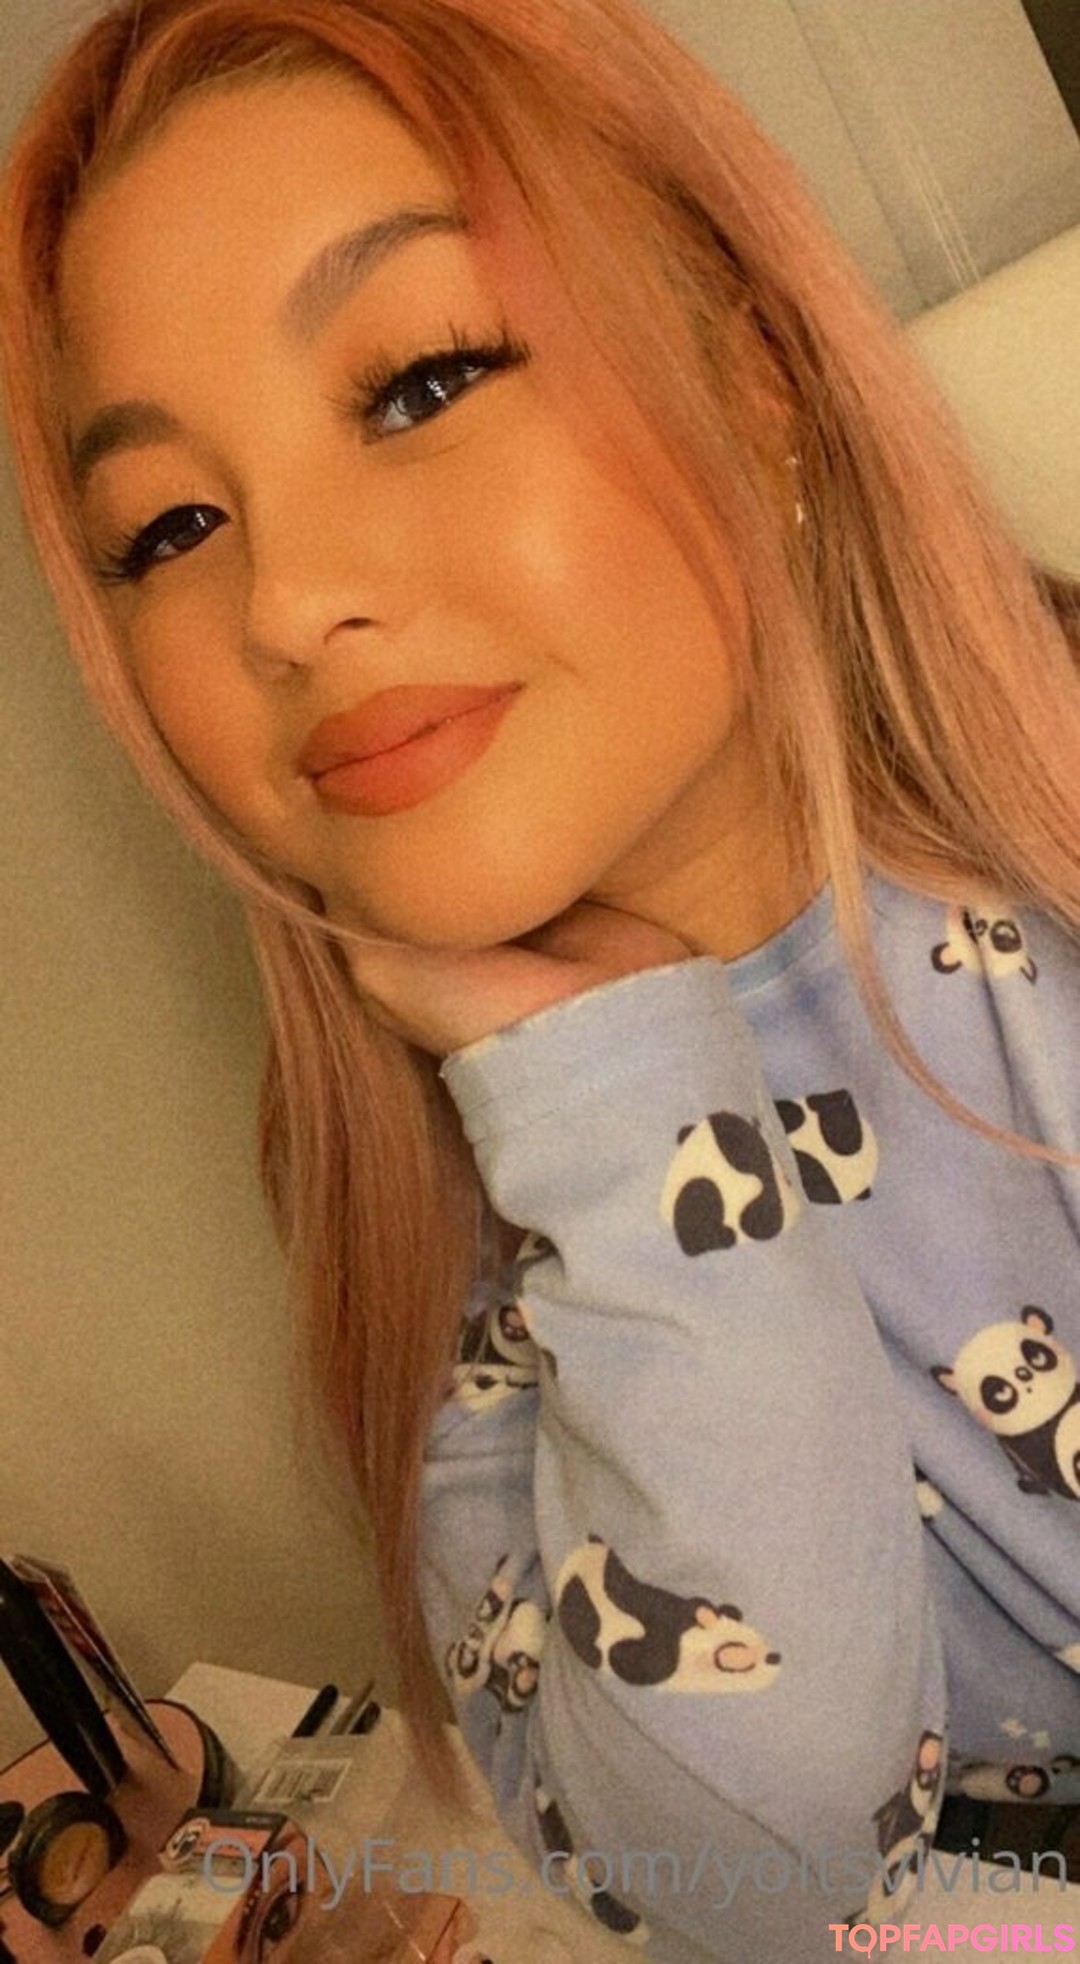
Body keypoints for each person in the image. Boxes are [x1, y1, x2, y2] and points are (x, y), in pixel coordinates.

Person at [1, 1, 1078, 1957]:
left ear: (755, 376)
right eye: (170, 525)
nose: (283, 601)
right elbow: (750, 1882)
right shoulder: (460, 1255)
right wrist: (615, 1101)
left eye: (418, 381)